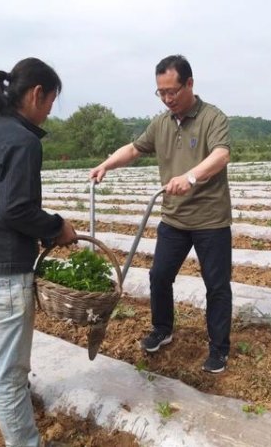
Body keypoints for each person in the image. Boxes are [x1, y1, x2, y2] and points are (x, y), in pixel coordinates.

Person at [89, 54, 232, 373]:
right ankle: (162, 329)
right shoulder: (161, 123)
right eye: (161, 92)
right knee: (159, 276)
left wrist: (190, 177)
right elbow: (134, 148)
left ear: (189, 84)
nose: (167, 99)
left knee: (216, 285)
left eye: (172, 91)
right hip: (174, 219)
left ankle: (219, 348)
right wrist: (106, 165)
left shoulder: (212, 118)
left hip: (210, 220)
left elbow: (221, 155)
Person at [0, 57, 77, 447]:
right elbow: (14, 209)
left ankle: (0, 407)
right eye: (50, 102)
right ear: (36, 94)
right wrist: (57, 227)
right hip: (3, 271)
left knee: (4, 350)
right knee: (11, 373)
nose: (49, 112)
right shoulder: (23, 141)